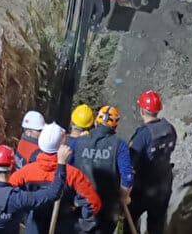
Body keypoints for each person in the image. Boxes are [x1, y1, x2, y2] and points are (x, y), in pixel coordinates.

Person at [9, 123, 103, 234]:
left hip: (34, 225)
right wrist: (79, 224)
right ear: (63, 145)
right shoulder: (73, 175)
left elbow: (8, 197)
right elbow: (93, 204)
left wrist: (23, 215)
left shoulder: (24, 173)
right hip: (64, 225)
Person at [73, 106, 134, 234]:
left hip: (81, 203)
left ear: (96, 122)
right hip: (108, 206)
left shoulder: (79, 142)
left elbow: (66, 166)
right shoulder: (120, 145)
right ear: (116, 126)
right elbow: (127, 176)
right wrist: (124, 197)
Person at [128, 91, 177, 234]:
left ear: (142, 111)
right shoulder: (169, 128)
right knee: (156, 225)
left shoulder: (143, 135)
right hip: (164, 184)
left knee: (130, 219)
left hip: (143, 187)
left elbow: (131, 162)